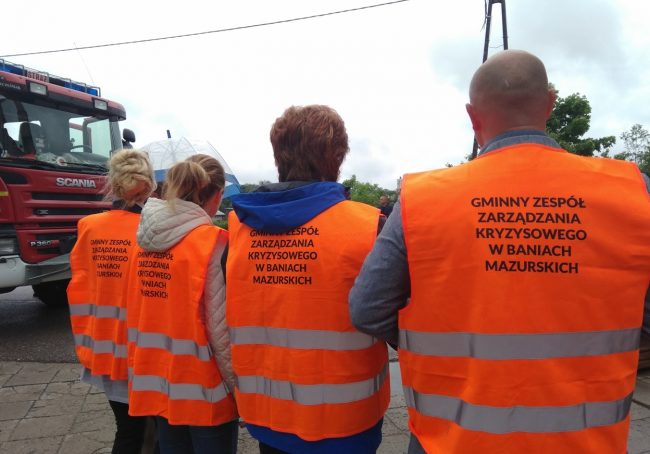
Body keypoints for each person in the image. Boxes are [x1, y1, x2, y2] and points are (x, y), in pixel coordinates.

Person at [349, 49, 650, 453]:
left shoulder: (423, 200)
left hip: (453, 439)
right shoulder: (632, 191)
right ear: (550, 103)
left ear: (473, 117)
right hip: (585, 441)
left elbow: (367, 308)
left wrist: (435, 348)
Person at [226, 105, 390, 453]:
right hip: (346, 422)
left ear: (278, 156)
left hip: (268, 415)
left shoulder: (237, 230)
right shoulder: (368, 227)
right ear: (337, 157)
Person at [127, 154, 238, 454]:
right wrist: (238, 389)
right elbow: (220, 331)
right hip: (205, 390)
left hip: (158, 383)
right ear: (217, 195)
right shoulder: (214, 243)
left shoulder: (142, 241)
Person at [67, 149, 156, 454]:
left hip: (103, 350)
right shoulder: (154, 230)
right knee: (155, 435)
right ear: (148, 185)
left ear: (113, 183)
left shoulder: (88, 226)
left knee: (128, 432)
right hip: (145, 353)